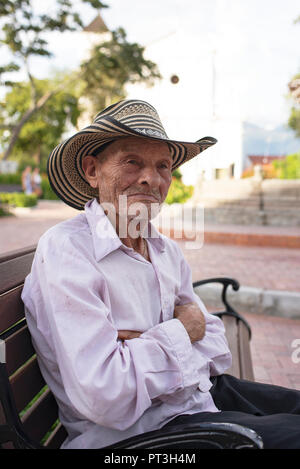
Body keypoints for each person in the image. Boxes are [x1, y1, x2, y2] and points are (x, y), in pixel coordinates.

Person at [21, 99, 300, 449]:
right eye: (132, 162)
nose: (150, 178)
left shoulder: (165, 249)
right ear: (93, 171)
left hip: (199, 400)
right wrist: (183, 329)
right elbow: (105, 395)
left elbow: (217, 346)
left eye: (163, 166)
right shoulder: (68, 251)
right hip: (141, 438)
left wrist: (146, 345)